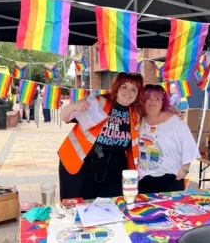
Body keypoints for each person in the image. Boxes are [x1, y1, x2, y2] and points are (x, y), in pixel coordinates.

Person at [58, 72, 145, 200]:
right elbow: (64, 117)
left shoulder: (136, 113)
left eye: (134, 89)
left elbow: (157, 114)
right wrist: (73, 106)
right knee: (77, 205)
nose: (129, 92)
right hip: (83, 160)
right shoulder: (98, 102)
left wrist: (172, 110)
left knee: (112, 205)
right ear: (116, 88)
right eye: (124, 87)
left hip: (115, 163)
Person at [138, 84, 200, 194]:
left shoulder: (176, 121)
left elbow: (189, 146)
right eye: (148, 98)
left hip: (171, 179)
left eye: (157, 98)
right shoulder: (137, 120)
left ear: (163, 102)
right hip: (144, 179)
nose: (153, 102)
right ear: (142, 100)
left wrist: (185, 169)